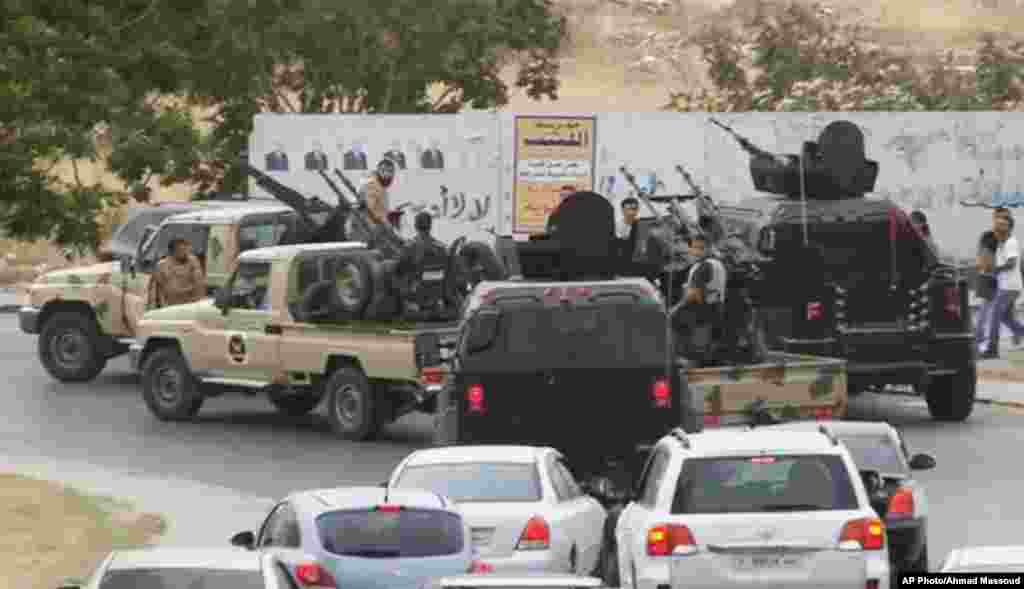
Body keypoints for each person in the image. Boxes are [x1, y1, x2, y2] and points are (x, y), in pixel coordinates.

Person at [669, 235, 728, 365]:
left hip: (700, 315)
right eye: (694, 248)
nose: (695, 251)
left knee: (695, 354)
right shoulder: (718, 264)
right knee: (708, 352)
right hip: (716, 311)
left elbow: (694, 294)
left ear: (708, 249)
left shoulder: (703, 267)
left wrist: (675, 309)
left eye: (700, 248)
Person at [983, 208, 1024, 358]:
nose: (997, 228)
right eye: (997, 225)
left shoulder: (1011, 243)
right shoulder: (1003, 243)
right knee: (1006, 317)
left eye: (1001, 226)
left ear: (1008, 228)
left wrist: (996, 270)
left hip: (1009, 287)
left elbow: (1012, 263)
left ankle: (992, 349)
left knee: (995, 315)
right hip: (1008, 286)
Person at [147, 238, 206, 309]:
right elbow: (158, 289)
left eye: (187, 250)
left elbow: (199, 284)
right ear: (173, 252)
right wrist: (162, 306)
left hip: (189, 305)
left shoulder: (193, 262)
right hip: (169, 305)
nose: (186, 253)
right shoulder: (162, 265)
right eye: (182, 250)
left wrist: (199, 303)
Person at [975, 228, 998, 354]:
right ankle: (980, 335)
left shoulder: (983, 250)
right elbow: (990, 267)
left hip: (985, 279)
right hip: (990, 280)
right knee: (988, 311)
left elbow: (981, 266)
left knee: (985, 310)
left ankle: (980, 335)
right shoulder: (990, 251)